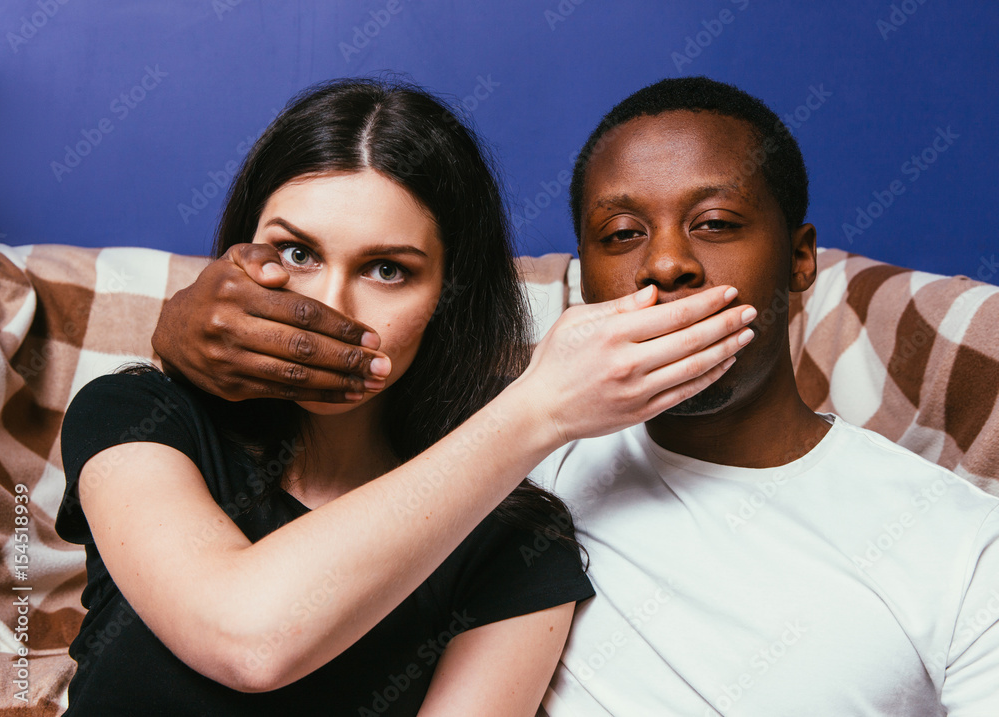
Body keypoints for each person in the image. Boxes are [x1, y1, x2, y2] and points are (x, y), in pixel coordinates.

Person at [154, 76, 999, 716]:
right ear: (580, 282)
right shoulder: (496, 430)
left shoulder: (959, 546)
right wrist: (179, 330)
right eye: (621, 235)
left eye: (714, 222)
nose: (666, 264)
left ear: (802, 258)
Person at [55, 78, 756, 716]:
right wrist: (535, 406)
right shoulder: (140, 418)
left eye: (388, 269)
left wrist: (538, 407)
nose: (328, 308)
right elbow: (249, 638)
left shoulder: (514, 546)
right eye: (297, 254)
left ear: (447, 300)